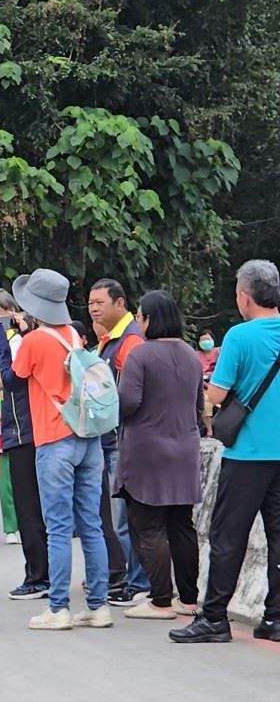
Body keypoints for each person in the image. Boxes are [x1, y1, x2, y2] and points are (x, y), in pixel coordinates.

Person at [172, 259, 280, 644]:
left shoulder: (239, 336)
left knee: (227, 536)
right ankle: (276, 617)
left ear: (244, 297)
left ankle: (215, 617)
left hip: (248, 455)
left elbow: (216, 394)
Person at [12, 269, 112, 630]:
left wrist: (19, 333)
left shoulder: (34, 340)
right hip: (88, 436)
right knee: (91, 525)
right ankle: (98, 605)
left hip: (54, 440)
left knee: (57, 527)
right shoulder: (72, 334)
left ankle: (58, 607)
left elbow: (17, 373)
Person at [111, 290, 203, 620]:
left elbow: (128, 402)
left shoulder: (141, 355)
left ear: (150, 319)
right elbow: (197, 407)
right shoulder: (192, 356)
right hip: (185, 450)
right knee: (181, 524)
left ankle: (160, 600)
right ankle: (189, 600)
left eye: (139, 316)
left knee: (149, 526)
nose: (137, 321)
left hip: (147, 451)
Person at [0, 288, 50, 601]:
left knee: (29, 508)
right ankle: (40, 572)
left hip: (26, 431)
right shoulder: (15, 338)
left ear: (12, 310)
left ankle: (39, 577)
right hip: (20, 430)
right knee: (30, 507)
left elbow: (12, 375)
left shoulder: (17, 339)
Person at [89, 278, 151, 606]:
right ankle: (125, 577)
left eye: (100, 302)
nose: (94, 308)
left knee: (127, 515)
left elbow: (132, 393)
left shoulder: (130, 341)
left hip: (123, 439)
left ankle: (136, 582)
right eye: (90, 303)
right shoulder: (108, 340)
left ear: (120, 303)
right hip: (109, 437)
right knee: (117, 516)